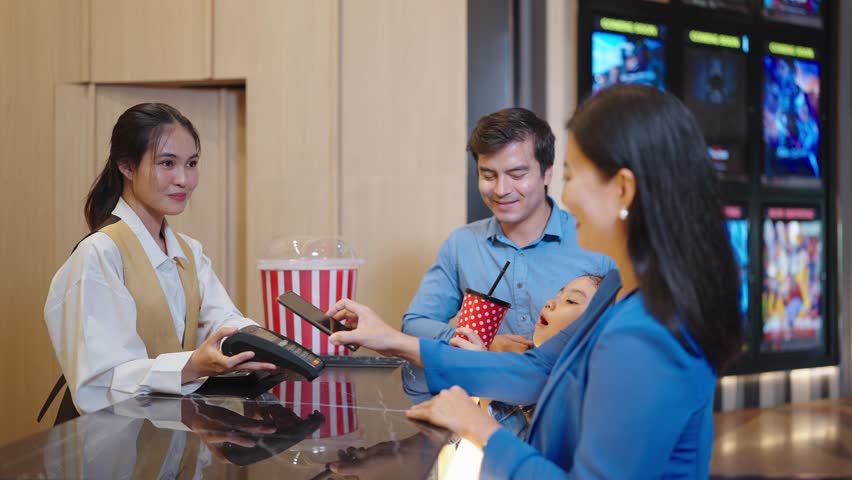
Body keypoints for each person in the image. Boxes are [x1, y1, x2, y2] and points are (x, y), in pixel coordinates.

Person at [325, 84, 743, 477]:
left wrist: (480, 429)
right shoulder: (616, 294)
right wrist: (391, 339)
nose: (568, 195)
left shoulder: (646, 334)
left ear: (622, 189)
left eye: (571, 176)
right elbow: (536, 370)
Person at [43, 103, 277, 420]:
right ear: (127, 167)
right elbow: (100, 381)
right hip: (104, 443)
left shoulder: (189, 252)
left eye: (191, 163)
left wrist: (268, 345)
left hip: (159, 431)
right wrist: (191, 366)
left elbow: (224, 321)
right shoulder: (99, 253)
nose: (184, 179)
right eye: (167, 163)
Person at [401, 107, 613, 399]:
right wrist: (484, 343)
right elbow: (414, 325)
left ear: (547, 171)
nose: (501, 189)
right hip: (484, 408)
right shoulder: (463, 244)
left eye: (516, 174)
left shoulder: (594, 244)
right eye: (488, 175)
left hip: (567, 405)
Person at [453, 273, 603, 440]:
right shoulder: (527, 371)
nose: (550, 303)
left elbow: (522, 451)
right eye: (558, 294)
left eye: (571, 301)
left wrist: (485, 375)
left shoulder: (578, 399)